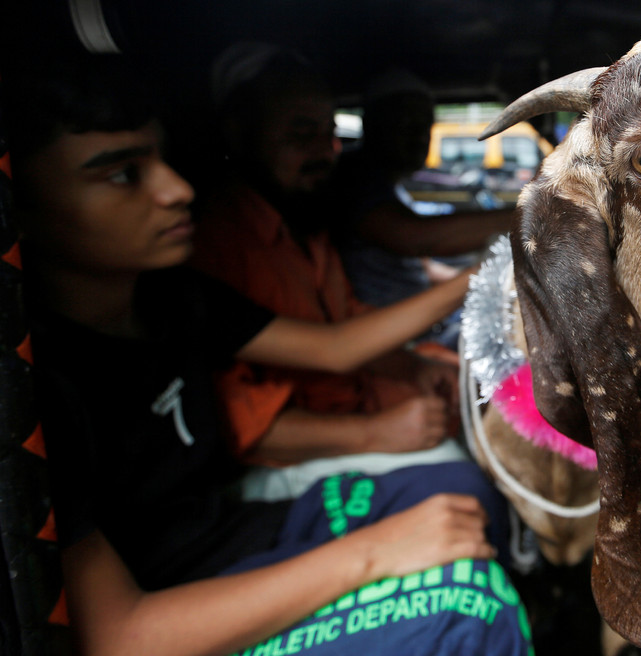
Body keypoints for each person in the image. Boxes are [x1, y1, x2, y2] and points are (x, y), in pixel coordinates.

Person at [8, 54, 531, 656]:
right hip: (171, 602)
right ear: (20, 208)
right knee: (470, 610)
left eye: (161, 159)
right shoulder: (32, 388)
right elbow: (119, 636)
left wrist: (483, 283)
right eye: (123, 174)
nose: (177, 191)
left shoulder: (176, 297)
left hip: (226, 540)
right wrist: (374, 552)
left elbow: (336, 346)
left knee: (463, 487)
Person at [190, 45, 472, 500]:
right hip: (284, 462)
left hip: (355, 412)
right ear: (239, 133)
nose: (325, 151)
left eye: (329, 131)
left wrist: (413, 366)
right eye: (302, 133)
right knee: (465, 482)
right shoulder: (214, 246)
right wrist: (373, 434)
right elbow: (240, 422)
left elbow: (347, 325)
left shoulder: (303, 227)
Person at [332, 67, 518, 347]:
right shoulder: (353, 180)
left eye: (425, 125)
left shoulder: (390, 188)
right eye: (406, 125)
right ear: (372, 125)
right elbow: (414, 238)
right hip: (389, 339)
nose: (419, 135)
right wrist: (527, 214)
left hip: (421, 327)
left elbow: (422, 265)